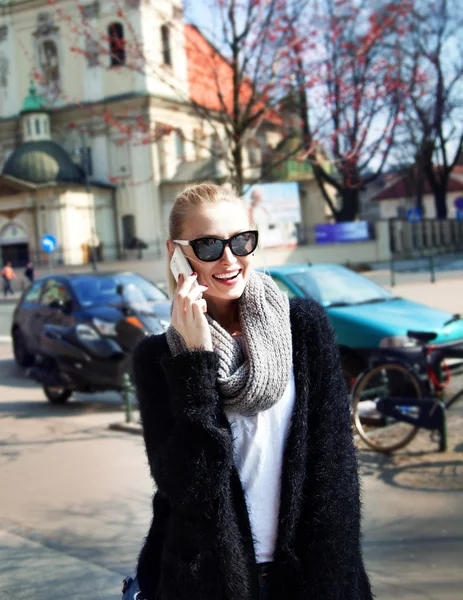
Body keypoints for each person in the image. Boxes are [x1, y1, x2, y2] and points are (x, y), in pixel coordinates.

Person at [129, 183, 372, 600]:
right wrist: (194, 363)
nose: (229, 258)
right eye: (208, 245)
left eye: (241, 240)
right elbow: (189, 489)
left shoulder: (303, 328)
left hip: (310, 573)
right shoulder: (158, 358)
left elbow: (335, 470)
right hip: (207, 582)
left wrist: (329, 582)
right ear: (176, 252)